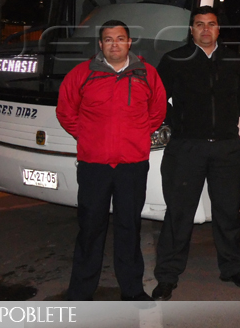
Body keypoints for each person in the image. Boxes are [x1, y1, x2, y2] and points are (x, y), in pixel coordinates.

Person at [56, 20, 166, 301]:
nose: (114, 44)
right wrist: (90, 138)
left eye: (120, 38)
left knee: (129, 227)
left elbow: (158, 110)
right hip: (95, 165)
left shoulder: (146, 73)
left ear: (130, 43)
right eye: (108, 39)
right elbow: (66, 112)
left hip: (132, 164)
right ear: (101, 44)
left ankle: (132, 290)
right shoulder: (82, 74)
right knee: (90, 228)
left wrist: (138, 136)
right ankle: (81, 291)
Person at [152, 6, 240, 301]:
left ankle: (233, 269)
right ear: (191, 29)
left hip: (227, 147)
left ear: (219, 29)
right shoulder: (174, 60)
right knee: (178, 215)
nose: (205, 30)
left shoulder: (234, 59)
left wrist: (224, 121)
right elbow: (158, 98)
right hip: (186, 148)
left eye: (211, 24)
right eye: (199, 25)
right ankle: (167, 276)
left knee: (228, 212)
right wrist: (179, 122)